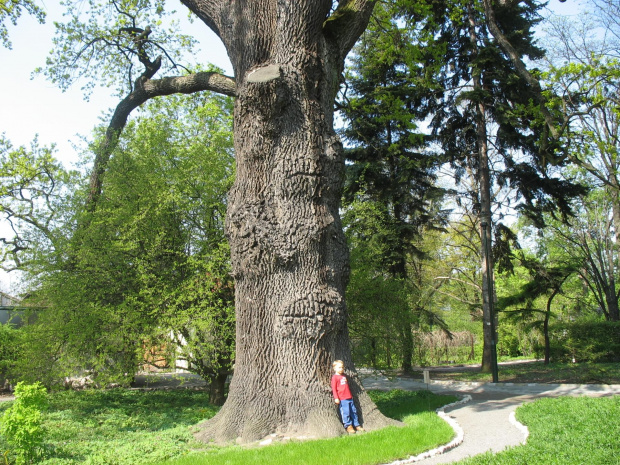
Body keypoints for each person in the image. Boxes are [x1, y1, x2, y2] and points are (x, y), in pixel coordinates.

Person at [330, 360, 364, 434]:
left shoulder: (344, 376)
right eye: (339, 367)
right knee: (346, 412)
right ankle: (348, 425)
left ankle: (357, 424)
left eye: (342, 367)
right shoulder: (335, 377)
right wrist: (336, 398)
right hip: (342, 398)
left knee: (353, 411)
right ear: (334, 368)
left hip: (349, 397)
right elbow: (334, 389)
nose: (341, 369)